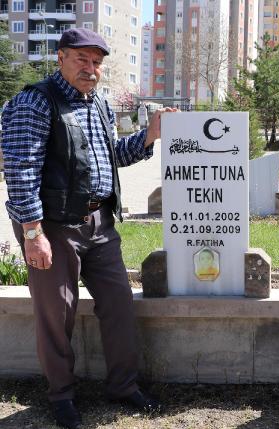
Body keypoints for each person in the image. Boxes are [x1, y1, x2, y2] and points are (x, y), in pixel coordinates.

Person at [1, 28, 176, 429]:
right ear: (60, 57)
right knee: (55, 314)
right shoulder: (34, 102)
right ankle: (61, 396)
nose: (91, 69)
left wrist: (148, 136)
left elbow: (110, 158)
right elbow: (21, 171)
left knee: (118, 304)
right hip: (53, 228)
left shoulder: (97, 102)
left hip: (99, 224)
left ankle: (123, 385)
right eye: (82, 59)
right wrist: (33, 232)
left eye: (96, 62)